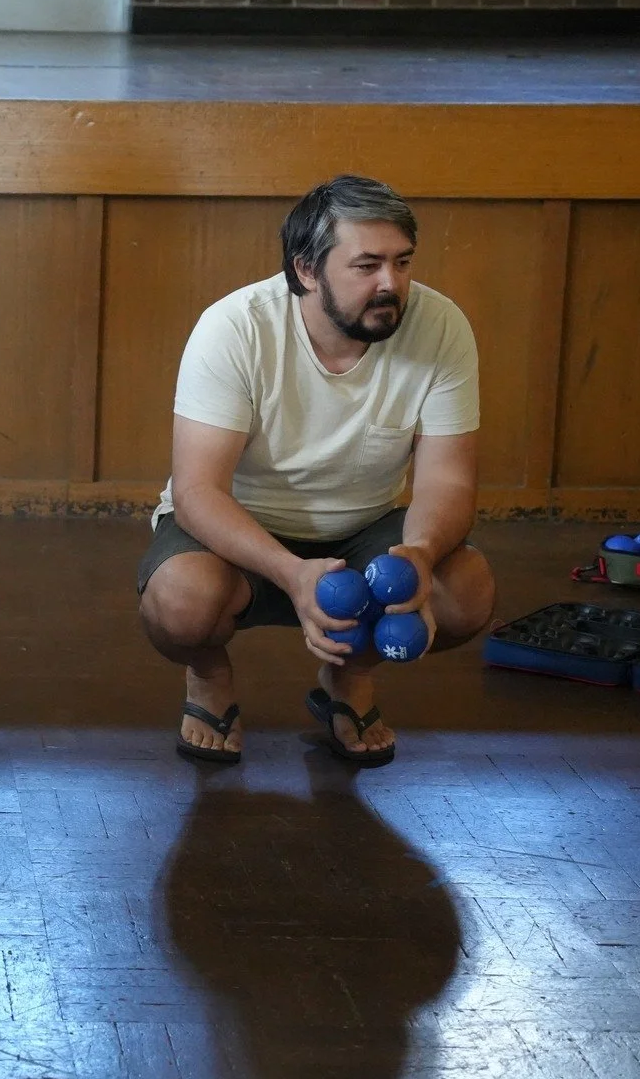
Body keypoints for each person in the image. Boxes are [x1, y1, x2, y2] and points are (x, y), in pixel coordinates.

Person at [136, 174, 496, 767]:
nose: (392, 284)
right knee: (182, 603)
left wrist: (424, 552)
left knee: (466, 594)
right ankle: (207, 677)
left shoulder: (442, 325)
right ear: (306, 270)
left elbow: (449, 482)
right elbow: (198, 491)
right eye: (367, 265)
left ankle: (348, 679)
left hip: (364, 529)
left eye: (402, 262)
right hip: (238, 532)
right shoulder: (235, 328)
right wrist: (293, 573)